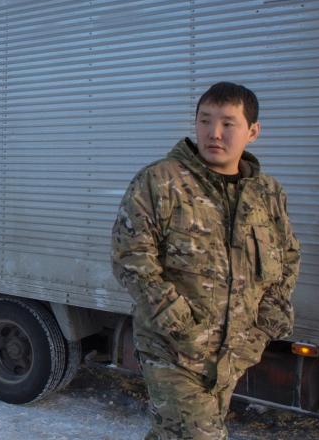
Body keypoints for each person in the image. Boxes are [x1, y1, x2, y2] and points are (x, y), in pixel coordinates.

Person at [111, 82, 300, 440]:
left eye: (228, 123)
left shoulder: (268, 193)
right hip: (174, 351)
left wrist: (264, 324)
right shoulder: (161, 181)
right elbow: (131, 257)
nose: (214, 133)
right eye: (205, 120)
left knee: (176, 432)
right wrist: (184, 328)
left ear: (253, 132)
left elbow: (287, 255)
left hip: (234, 352)